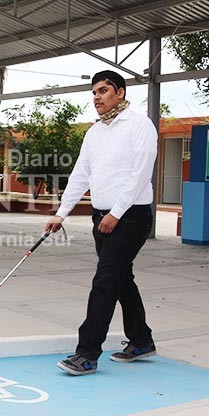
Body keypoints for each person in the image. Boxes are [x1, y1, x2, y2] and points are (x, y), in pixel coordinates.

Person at [45, 70, 159, 376]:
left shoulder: (139, 125)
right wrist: (61, 212)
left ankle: (87, 353)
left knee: (105, 281)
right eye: (94, 92)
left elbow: (140, 173)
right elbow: (81, 174)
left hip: (131, 216)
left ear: (120, 92)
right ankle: (142, 340)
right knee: (120, 278)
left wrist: (116, 213)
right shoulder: (94, 132)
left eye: (104, 91)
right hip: (102, 216)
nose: (97, 97)